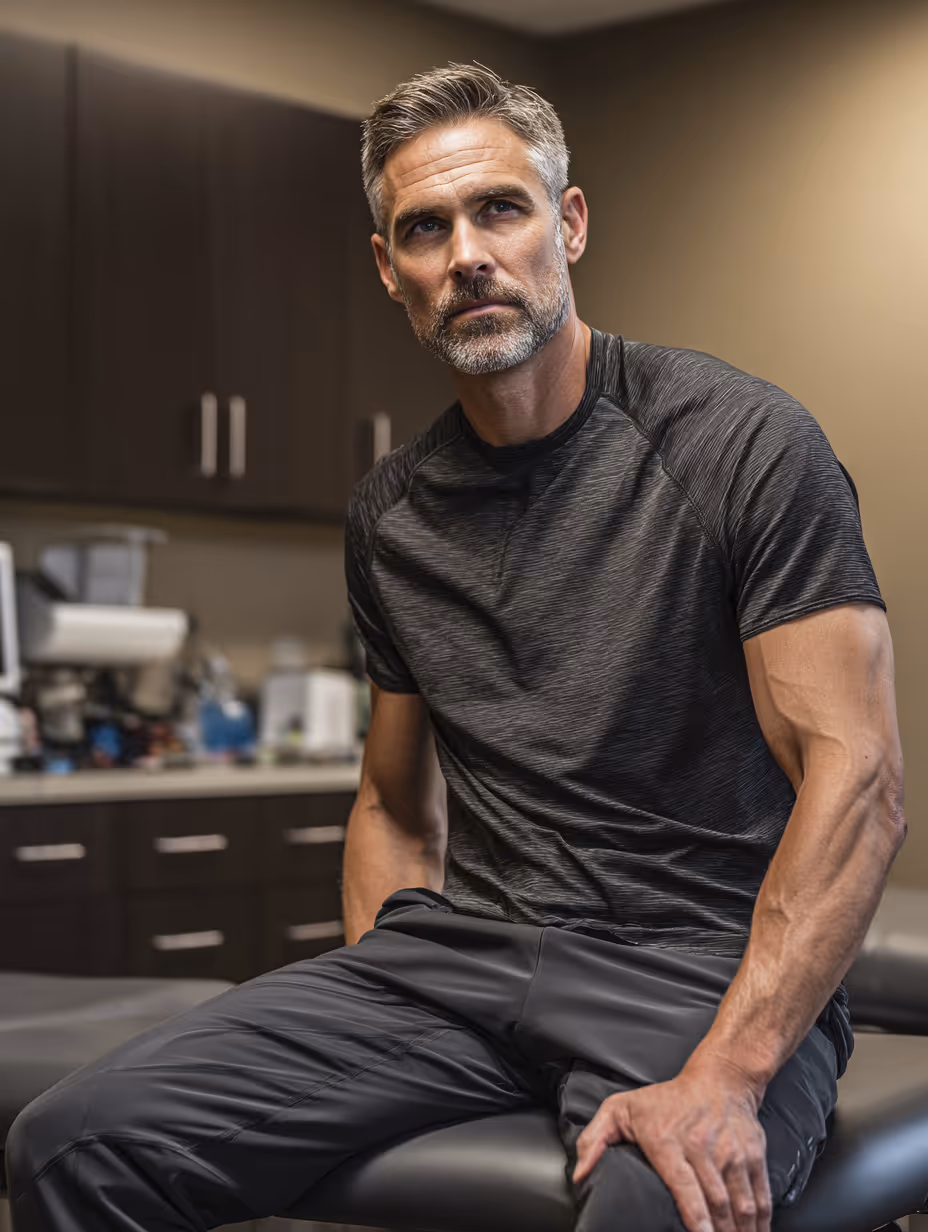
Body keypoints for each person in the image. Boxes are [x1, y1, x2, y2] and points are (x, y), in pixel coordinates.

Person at [6, 63, 905, 1232]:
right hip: (462, 960)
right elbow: (390, 803)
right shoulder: (392, 512)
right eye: (423, 228)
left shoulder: (740, 443)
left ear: (567, 225)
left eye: (500, 209)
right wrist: (386, 997)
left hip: (690, 971)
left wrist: (730, 1073)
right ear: (391, 270)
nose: (466, 252)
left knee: (660, 1201)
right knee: (76, 1140)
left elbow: (860, 778)